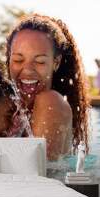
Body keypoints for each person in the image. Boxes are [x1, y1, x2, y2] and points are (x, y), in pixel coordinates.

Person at [6, 14, 90, 160]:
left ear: (56, 63)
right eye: (18, 60)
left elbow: (39, 173)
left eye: (39, 62)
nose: (27, 70)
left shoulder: (50, 102)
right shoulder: (14, 108)